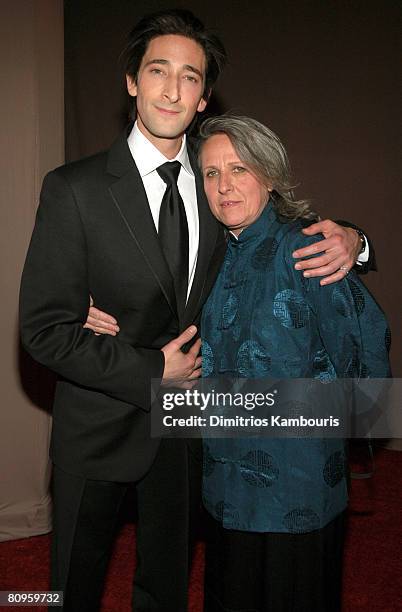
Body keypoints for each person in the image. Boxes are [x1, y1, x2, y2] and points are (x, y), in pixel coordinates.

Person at [20, 8, 373, 612]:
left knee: (167, 588)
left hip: (188, 434)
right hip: (98, 426)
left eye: (190, 76)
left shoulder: (219, 190)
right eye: (158, 70)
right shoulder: (72, 189)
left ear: (204, 96)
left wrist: (358, 241)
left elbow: (290, 230)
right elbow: (42, 331)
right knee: (66, 592)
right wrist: (151, 370)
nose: (172, 88)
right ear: (132, 81)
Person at [196, 115, 390, 612]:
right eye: (211, 173)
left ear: (269, 174)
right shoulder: (211, 253)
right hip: (225, 479)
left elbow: (365, 346)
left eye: (238, 169)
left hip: (296, 482)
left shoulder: (306, 246)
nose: (224, 186)